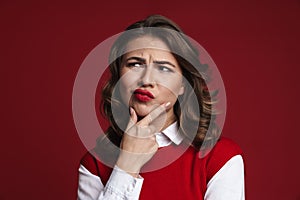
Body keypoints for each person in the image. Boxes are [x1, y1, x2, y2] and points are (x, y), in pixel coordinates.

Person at [77, 15, 245, 200]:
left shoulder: (220, 158)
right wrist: (126, 167)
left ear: (183, 85)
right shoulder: (95, 164)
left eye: (164, 68)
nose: (147, 80)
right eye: (135, 64)